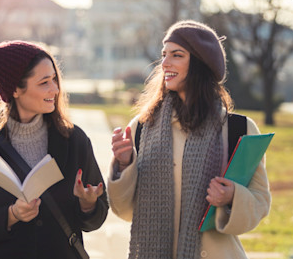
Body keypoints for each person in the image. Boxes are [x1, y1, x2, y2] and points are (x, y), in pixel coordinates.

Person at [108, 20, 271, 259]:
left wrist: (231, 197)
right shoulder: (143, 127)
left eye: (177, 55)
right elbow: (124, 210)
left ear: (200, 63)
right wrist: (123, 166)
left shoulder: (239, 129)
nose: (164, 63)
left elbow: (260, 201)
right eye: (164, 55)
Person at [0, 40, 108, 259]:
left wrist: (88, 204)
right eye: (44, 82)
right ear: (14, 89)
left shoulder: (74, 141)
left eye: (54, 79)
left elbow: (95, 219)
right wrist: (10, 216)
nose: (55, 89)